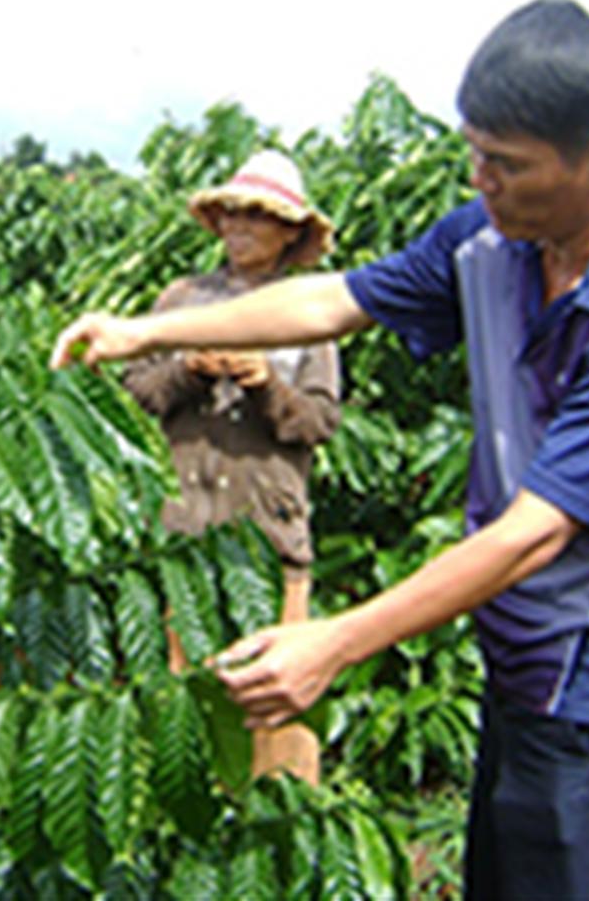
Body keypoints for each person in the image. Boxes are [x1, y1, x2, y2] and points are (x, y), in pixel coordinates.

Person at [52, 0, 589, 899]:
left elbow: (536, 532)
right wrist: (142, 332)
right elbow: (330, 301)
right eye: (475, 151)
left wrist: (336, 643)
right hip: (518, 663)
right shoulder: (490, 241)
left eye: (508, 163)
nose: (481, 178)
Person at [121, 150, 340, 785]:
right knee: (186, 692)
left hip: (266, 533)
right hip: (185, 530)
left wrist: (266, 384)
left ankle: (280, 829)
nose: (240, 228)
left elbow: (320, 421)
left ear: (290, 232)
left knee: (272, 694)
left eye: (258, 218)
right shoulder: (183, 300)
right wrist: (189, 370)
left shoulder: (309, 310)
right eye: (233, 215)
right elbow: (137, 395)